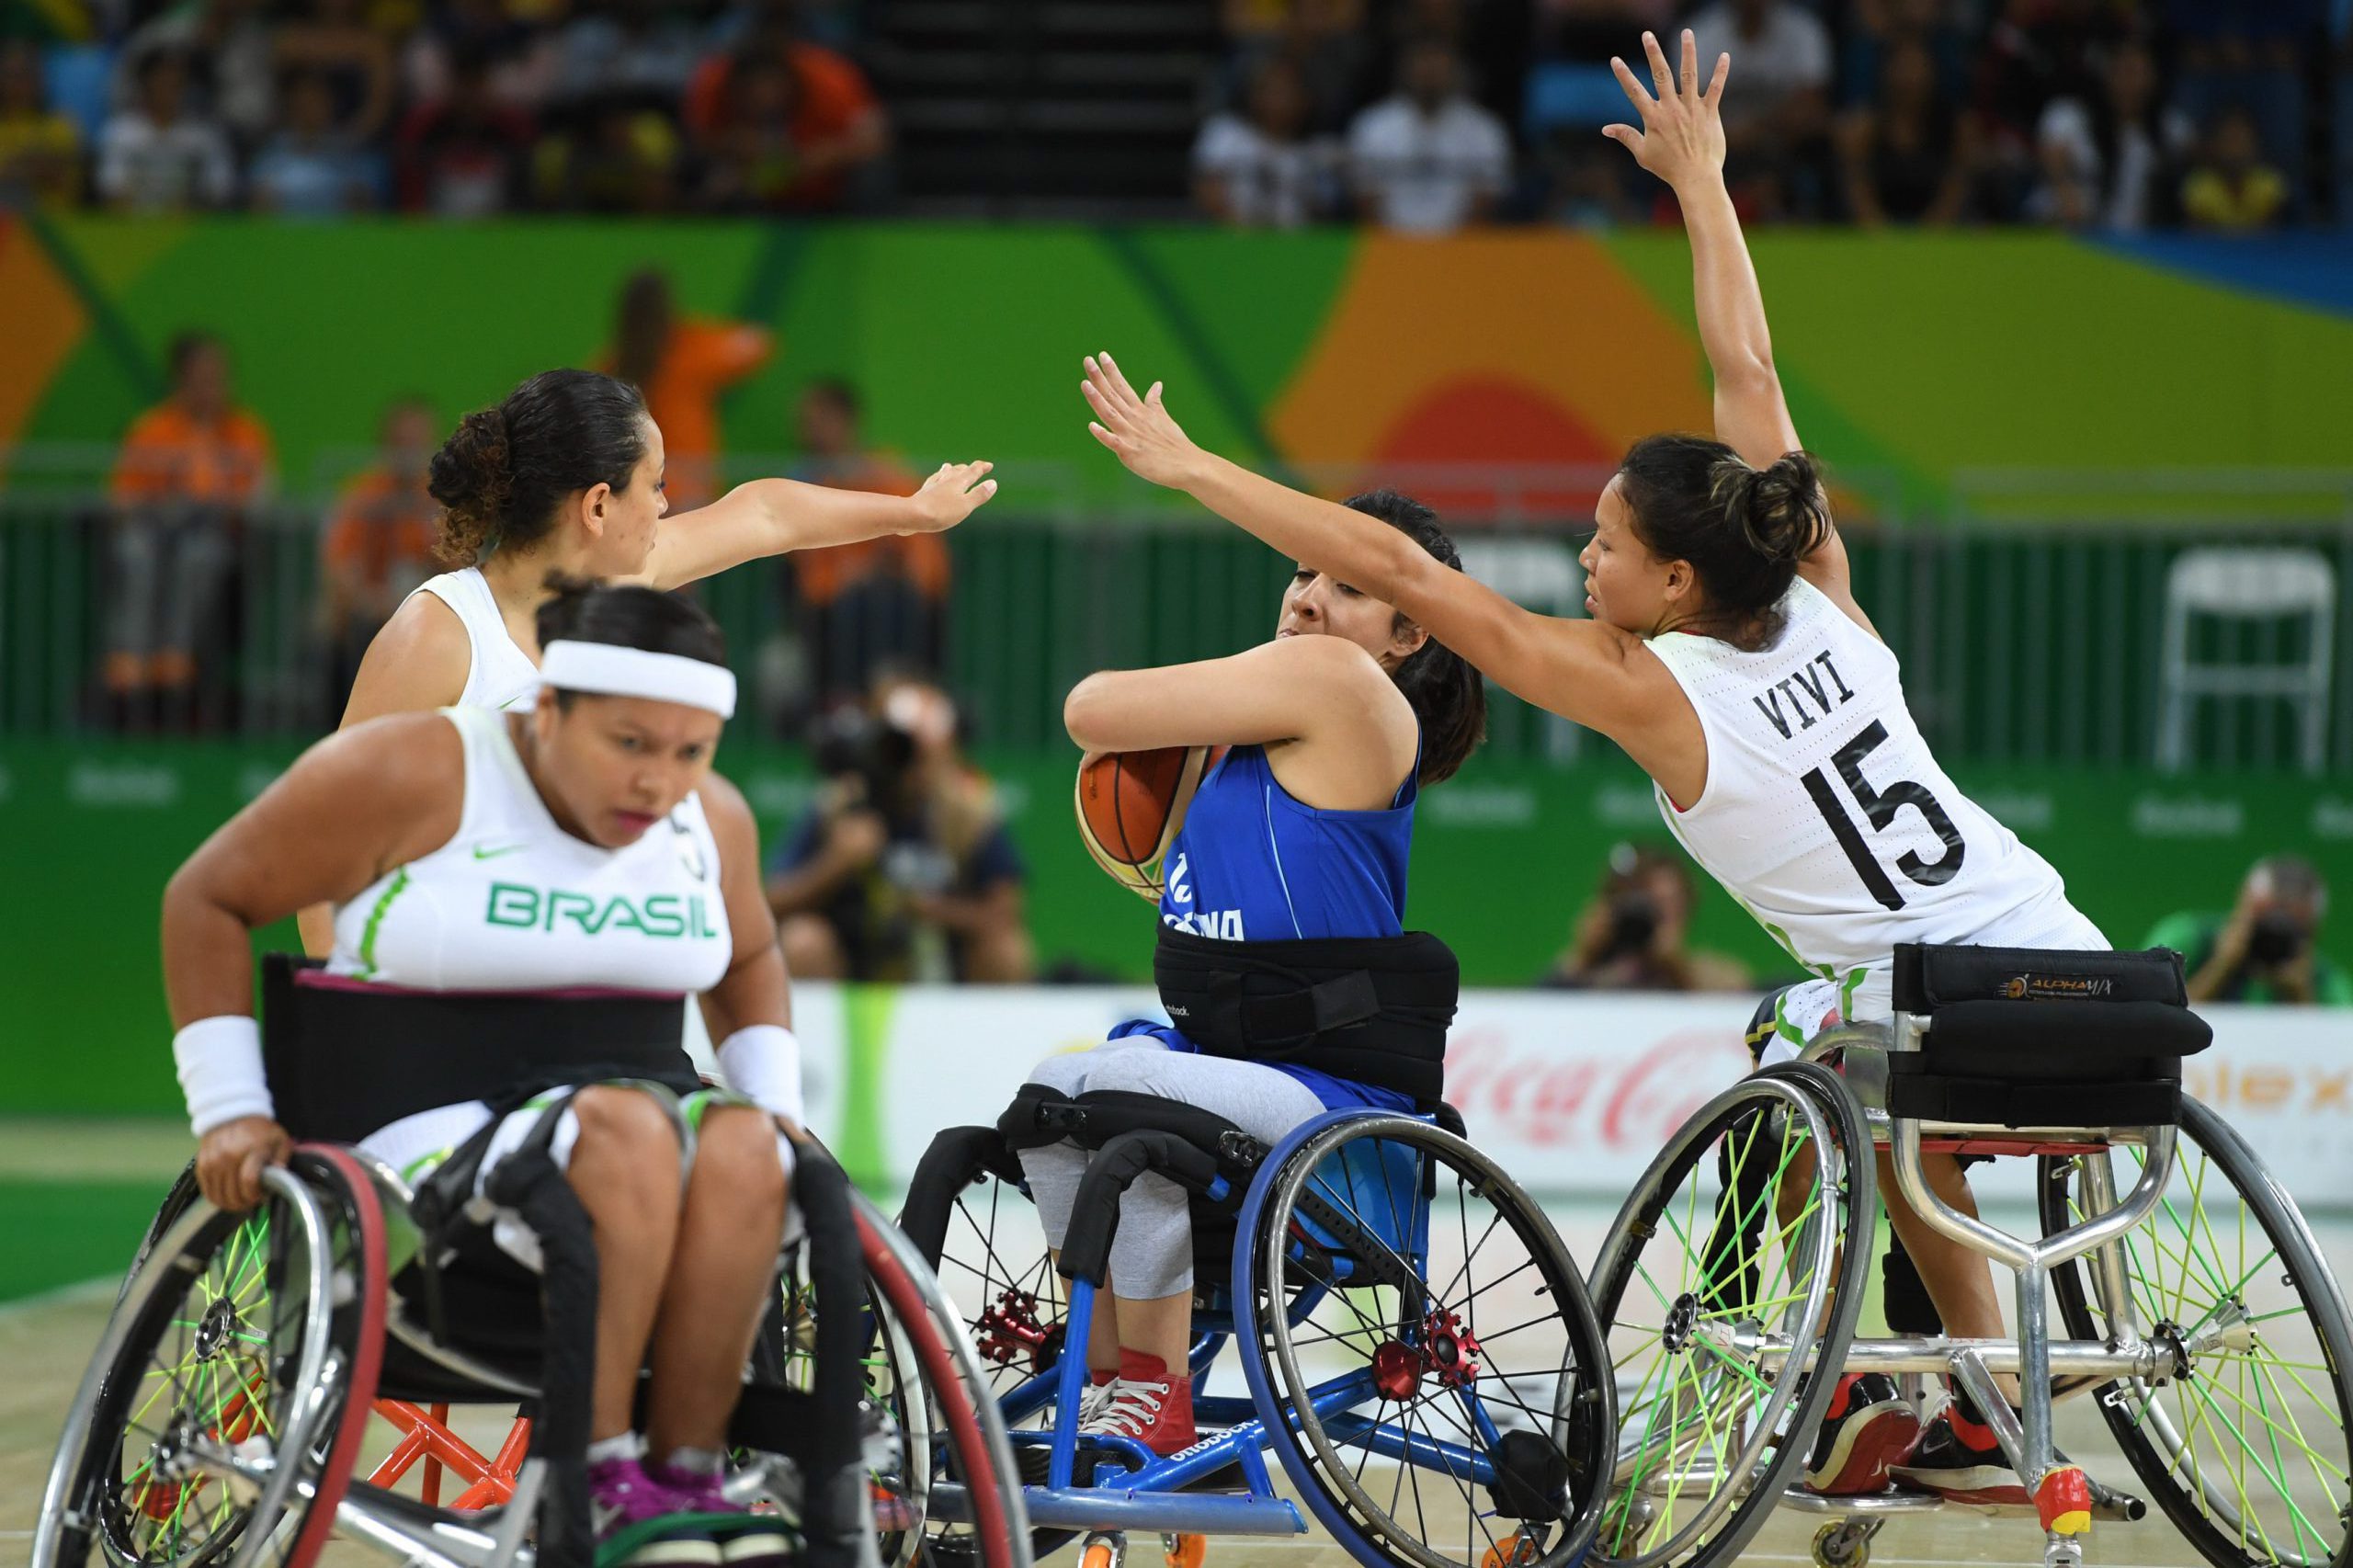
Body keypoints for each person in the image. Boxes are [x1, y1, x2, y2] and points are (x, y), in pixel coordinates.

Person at [1075, 30, 2112, 1506]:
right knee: (1823, 1046)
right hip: (2083, 984)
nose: (1583, 556)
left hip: (1946, 1037)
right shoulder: (1818, 583)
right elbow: (1744, 363)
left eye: (1607, 543)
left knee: (1822, 1053)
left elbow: (1393, 570)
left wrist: (1195, 472)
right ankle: (1963, 1392)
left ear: (1677, 583)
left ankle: (1941, 1365)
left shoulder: (1652, 690)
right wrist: (1706, 184)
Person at [164, 581, 804, 1564]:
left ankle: (681, 1475)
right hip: (423, 1130)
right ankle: (594, 1472)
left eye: (689, 751)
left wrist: (774, 1100)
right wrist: (230, 1108)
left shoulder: (709, 817)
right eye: (629, 743)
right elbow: (205, 895)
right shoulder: (418, 767)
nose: (658, 781)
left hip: (618, 1118)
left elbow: (750, 957)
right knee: (628, 1129)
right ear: (548, 708)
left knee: (747, 1146)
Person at [1011, 489, 1488, 1460]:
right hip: (1234, 1066)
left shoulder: (1346, 689)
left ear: (1407, 633)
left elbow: (1086, 707)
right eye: (1304, 571)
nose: (1308, 596)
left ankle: (1154, 1387)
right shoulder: (1242, 738)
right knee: (1054, 1092)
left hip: (1336, 1103)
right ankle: (1111, 1384)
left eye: (1347, 585)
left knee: (1115, 1090)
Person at [295, 368, 995, 955]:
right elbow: (325, 844)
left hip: (578, 979)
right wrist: (352, 1018)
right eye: (655, 486)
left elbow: (768, 515)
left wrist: (912, 513)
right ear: (598, 505)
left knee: (762, 1127)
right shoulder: (441, 635)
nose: (666, 508)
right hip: (448, 986)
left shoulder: (619, 581)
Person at [765, 674, 1033, 983]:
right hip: (852, 960)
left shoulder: (967, 816)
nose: (913, 768)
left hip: (944, 962)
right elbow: (771, 905)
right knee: (804, 939)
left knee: (1006, 950)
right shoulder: (839, 807)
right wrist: (834, 863)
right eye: (903, 751)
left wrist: (931, 910)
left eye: (927, 755)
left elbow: (1005, 915)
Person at [108, 331, 274, 722]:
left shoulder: (245, 431)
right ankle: (130, 661)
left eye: (216, 379)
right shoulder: (153, 429)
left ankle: (175, 660)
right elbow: (122, 498)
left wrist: (221, 503)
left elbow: (262, 495)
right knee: (133, 552)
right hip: (155, 532)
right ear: (179, 380)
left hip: (216, 538)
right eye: (199, 379)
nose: (208, 389)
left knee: (198, 557)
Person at [785, 378, 949, 711]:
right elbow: (803, 565)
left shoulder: (886, 474)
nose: (811, 431)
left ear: (848, 421)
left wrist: (887, 568)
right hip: (829, 606)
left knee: (891, 603)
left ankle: (901, 693)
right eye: (807, 423)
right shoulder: (798, 481)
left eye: (820, 420)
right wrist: (846, 576)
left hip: (892, 602)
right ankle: (844, 703)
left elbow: (924, 555)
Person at [608, 269, 773, 512]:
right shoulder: (688, 350)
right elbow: (756, 344)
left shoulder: (610, 366)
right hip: (689, 489)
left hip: (631, 492)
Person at [320, 398, 440, 705]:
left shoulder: (442, 500)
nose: (409, 452)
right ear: (386, 444)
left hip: (426, 609)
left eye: (417, 441)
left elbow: (458, 566)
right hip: (367, 608)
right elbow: (339, 563)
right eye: (402, 442)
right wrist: (367, 600)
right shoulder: (363, 495)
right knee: (335, 627)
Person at [1345, 35, 1511, 233]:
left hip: (1461, 250)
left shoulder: (1484, 128)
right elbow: (1365, 200)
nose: (1430, 72)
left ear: (1454, 69)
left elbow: (1485, 202)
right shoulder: (1373, 126)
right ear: (1406, 69)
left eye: (1437, 64)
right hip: (1389, 249)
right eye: (1422, 62)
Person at [1542, 841, 1752, 991]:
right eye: (1642, 904)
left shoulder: (1717, 976)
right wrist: (1585, 956)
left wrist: (1675, 967)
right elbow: (1538, 1005)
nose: (1650, 915)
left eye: (1666, 904)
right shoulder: (1586, 973)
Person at [2145, 856, 2351, 1006]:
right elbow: (2146, 1019)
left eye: (2289, 929)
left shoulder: (2327, 983)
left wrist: (2301, 996)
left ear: (2312, 931)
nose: (2273, 938)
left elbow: (2338, 1056)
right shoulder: (2186, 937)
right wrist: (2220, 967)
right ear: (2243, 904)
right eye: (2264, 922)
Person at [1193, 54, 1342, 227]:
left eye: (1287, 91)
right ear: (1254, 94)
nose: (1278, 100)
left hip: (1297, 246)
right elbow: (1208, 192)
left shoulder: (1320, 152)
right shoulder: (1226, 134)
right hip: (1236, 239)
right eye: (1271, 90)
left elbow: (1323, 213)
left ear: (1305, 99)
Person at [97, 49, 235, 213]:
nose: (169, 87)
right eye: (161, 80)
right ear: (145, 83)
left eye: (176, 81)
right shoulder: (120, 132)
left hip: (189, 226)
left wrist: (193, 207)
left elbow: (219, 187)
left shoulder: (202, 135)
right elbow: (112, 188)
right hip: (132, 227)